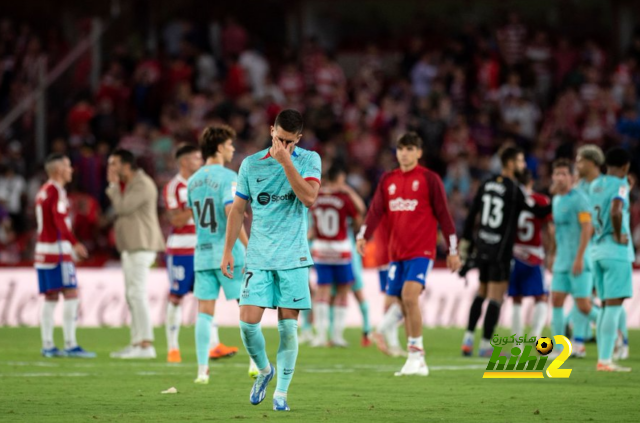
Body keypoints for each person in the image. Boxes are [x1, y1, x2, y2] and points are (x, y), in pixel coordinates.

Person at [221, 109, 321, 411]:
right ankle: (265, 370)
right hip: (259, 257)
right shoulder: (250, 164)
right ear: (271, 131)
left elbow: (309, 198)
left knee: (288, 329)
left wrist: (286, 162)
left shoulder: (309, 159)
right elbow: (237, 210)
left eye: (290, 142)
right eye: (279, 139)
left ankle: (282, 394)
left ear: (299, 139)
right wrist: (228, 250)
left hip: (293, 257)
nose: (283, 145)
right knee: (247, 326)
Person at [356, 132, 461, 377]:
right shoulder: (388, 180)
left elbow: (445, 216)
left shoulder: (429, 179)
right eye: (401, 148)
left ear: (419, 153)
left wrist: (453, 250)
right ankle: (415, 358)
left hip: (421, 251)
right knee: (403, 303)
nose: (404, 153)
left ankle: (415, 354)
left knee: (409, 296)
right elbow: (375, 211)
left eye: (410, 148)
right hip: (396, 253)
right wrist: (363, 234)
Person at [460, 146, 550, 357]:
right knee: (495, 297)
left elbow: (472, 213)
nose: (523, 166)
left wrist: (466, 242)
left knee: (481, 292)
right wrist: (555, 197)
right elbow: (537, 210)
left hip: (482, 247)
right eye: (520, 161)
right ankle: (484, 345)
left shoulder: (487, 183)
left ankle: (468, 339)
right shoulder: (513, 189)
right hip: (501, 252)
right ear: (510, 163)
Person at [187, 125, 250, 384]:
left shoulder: (192, 181)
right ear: (219, 147)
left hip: (202, 252)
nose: (233, 148)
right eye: (230, 144)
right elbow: (230, 213)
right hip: (230, 252)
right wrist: (248, 246)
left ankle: (202, 370)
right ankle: (256, 363)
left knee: (204, 313)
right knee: (247, 307)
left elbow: (196, 217)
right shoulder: (228, 177)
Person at [34, 154, 95, 358]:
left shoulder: (43, 191)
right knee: (71, 294)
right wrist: (74, 243)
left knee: (50, 297)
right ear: (59, 170)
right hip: (57, 251)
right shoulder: (56, 191)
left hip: (43, 251)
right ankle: (70, 344)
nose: (71, 170)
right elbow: (59, 221)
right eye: (68, 166)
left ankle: (48, 345)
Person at [106, 149, 165, 359]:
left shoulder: (142, 184)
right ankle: (137, 343)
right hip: (131, 246)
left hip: (143, 245)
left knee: (137, 293)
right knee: (131, 295)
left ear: (126, 165)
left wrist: (112, 186)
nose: (110, 168)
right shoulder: (130, 184)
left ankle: (146, 344)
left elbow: (123, 207)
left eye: (113, 163)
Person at [589, 147, 635, 372]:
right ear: (626, 167)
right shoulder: (621, 185)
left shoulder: (594, 185)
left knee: (607, 306)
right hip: (615, 252)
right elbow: (616, 210)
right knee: (614, 307)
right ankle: (605, 360)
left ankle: (603, 358)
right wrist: (618, 234)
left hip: (596, 250)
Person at [309, 164, 362, 347]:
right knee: (342, 292)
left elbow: (312, 225)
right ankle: (338, 335)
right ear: (339, 178)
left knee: (321, 292)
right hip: (341, 249)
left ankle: (321, 336)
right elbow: (358, 216)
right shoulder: (343, 198)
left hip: (321, 249)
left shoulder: (316, 197)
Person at [547, 159, 594, 358]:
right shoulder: (557, 200)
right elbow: (557, 232)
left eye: (564, 173)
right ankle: (559, 348)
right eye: (557, 173)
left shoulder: (580, 199)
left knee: (583, 304)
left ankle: (615, 325)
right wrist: (552, 254)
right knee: (556, 300)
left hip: (579, 260)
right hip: (562, 261)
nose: (559, 177)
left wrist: (580, 257)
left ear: (572, 177)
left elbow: (587, 228)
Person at [163, 144, 203, 363]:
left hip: (203, 249)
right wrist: (196, 204)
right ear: (184, 161)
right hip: (180, 249)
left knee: (206, 296)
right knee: (177, 296)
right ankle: (173, 348)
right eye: (197, 158)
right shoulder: (173, 187)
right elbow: (176, 220)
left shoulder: (204, 184)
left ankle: (212, 345)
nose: (200, 161)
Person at [509, 169, 552, 340]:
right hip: (534, 255)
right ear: (531, 183)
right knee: (541, 297)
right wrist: (551, 253)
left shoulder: (511, 200)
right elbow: (549, 229)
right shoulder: (541, 200)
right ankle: (536, 336)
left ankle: (517, 344)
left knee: (516, 299)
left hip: (514, 253)